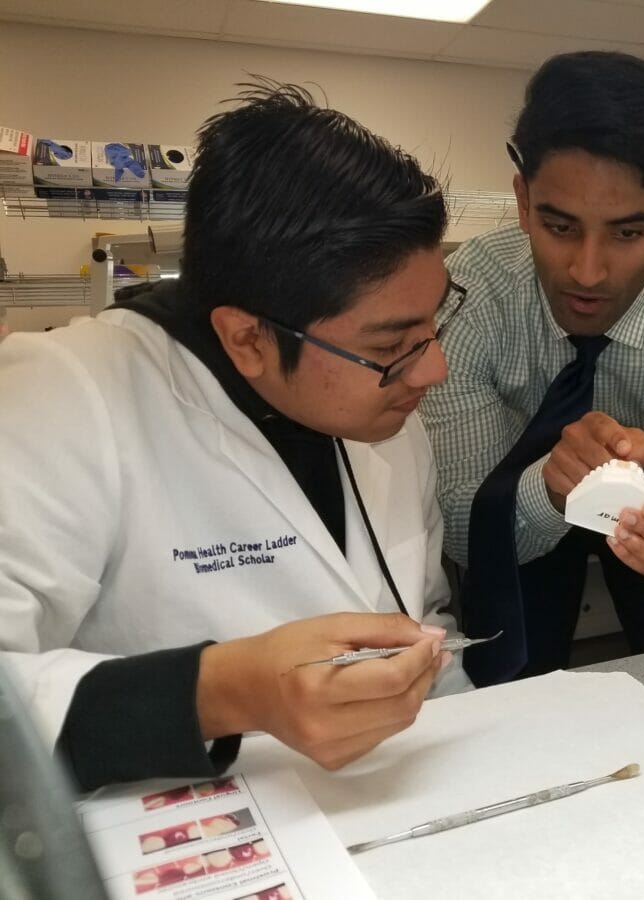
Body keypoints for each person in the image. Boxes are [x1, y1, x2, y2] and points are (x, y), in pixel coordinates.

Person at [0, 81, 470, 791]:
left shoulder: (386, 405)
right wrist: (222, 693)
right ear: (247, 337)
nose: (432, 368)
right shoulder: (63, 395)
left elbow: (424, 610)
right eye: (394, 343)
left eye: (433, 323)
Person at [420, 51, 644, 684]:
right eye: (559, 226)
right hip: (513, 467)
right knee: (512, 673)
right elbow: (462, 529)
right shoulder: (465, 302)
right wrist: (550, 491)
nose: (587, 273)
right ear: (523, 201)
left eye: (626, 233)